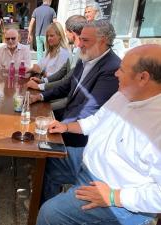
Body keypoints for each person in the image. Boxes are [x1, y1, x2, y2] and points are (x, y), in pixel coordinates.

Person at [37, 44, 161, 225]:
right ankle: (58, 204)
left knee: (50, 213)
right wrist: (66, 127)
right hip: (88, 162)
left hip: (115, 193)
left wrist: (115, 196)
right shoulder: (124, 94)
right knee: (47, 156)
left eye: (122, 70)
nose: (116, 73)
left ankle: (56, 211)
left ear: (143, 78)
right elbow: (96, 120)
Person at [30, 20, 120, 147]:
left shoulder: (112, 68)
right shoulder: (88, 56)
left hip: (79, 136)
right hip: (67, 117)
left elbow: (90, 108)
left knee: (37, 142)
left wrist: (63, 125)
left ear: (103, 41)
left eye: (85, 40)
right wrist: (40, 96)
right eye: (80, 39)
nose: (79, 45)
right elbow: (66, 86)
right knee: (31, 119)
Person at [27, 15, 87, 92]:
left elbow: (62, 79)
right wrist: (41, 78)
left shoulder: (65, 53)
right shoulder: (49, 51)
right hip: (49, 87)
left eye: (51, 36)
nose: (49, 38)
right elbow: (56, 73)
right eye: (47, 36)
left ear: (60, 36)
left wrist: (40, 83)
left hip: (55, 91)